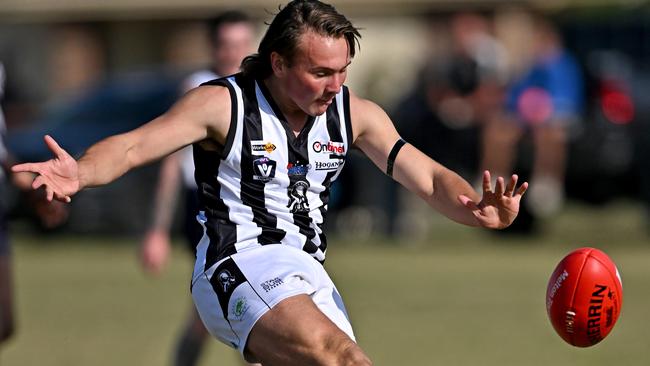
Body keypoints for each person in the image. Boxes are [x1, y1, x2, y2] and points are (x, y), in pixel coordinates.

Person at [12, 1, 528, 364]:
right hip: (236, 266)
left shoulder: (356, 113)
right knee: (345, 361)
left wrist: (474, 207)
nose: (335, 85)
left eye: (343, 71)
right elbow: (132, 147)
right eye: (321, 72)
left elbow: (428, 176)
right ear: (278, 62)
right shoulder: (223, 104)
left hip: (308, 274)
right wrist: (81, 171)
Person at [138, 11, 256, 366]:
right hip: (206, 210)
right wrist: (157, 230)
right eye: (226, 44)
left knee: (218, 312)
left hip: (255, 208)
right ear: (213, 46)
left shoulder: (263, 89)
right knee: (243, 304)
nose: (234, 52)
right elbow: (172, 163)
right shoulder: (199, 87)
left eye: (241, 44)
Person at [479, 14, 583, 219]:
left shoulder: (564, 65)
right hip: (526, 117)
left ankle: (547, 182)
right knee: (498, 131)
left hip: (556, 117)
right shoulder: (530, 67)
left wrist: (546, 112)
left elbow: (568, 99)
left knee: (549, 134)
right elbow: (515, 96)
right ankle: (493, 179)